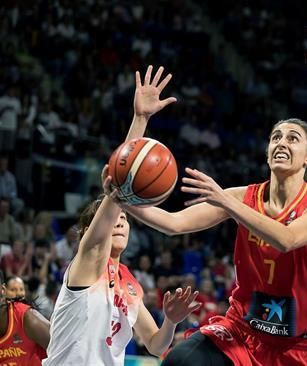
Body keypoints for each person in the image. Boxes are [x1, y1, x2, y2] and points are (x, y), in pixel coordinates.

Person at [125, 117, 307, 365]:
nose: (281, 143)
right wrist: (122, 196)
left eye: (292, 138)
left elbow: (288, 239)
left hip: (292, 348)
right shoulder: (243, 196)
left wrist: (228, 202)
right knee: (180, 360)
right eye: (275, 138)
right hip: (240, 331)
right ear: (268, 154)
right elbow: (174, 224)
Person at [43, 66, 201, 366]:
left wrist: (170, 321)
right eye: (114, 217)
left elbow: (155, 345)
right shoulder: (87, 263)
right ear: (89, 231)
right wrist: (140, 120)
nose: (120, 221)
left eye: (126, 220)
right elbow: (120, 187)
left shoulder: (129, 284)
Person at [0, 271, 50, 366]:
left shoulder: (27, 317)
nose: (18, 293)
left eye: (21, 289)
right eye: (13, 289)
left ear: (3, 290)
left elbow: (64, 348)